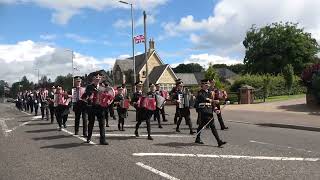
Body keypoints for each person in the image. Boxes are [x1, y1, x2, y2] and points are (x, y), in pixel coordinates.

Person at [194, 79, 226, 147]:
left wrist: (215, 109)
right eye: (206, 85)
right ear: (202, 85)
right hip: (203, 111)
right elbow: (204, 98)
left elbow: (211, 103)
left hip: (209, 111)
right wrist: (214, 101)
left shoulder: (209, 93)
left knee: (201, 125)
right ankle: (219, 141)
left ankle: (197, 138)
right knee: (212, 126)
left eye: (208, 84)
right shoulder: (200, 92)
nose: (208, 86)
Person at [82, 73, 108, 145]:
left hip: (100, 108)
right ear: (93, 79)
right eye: (96, 77)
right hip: (92, 107)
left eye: (99, 77)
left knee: (102, 124)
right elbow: (86, 96)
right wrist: (90, 96)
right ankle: (89, 137)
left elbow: (106, 96)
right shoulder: (89, 87)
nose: (98, 78)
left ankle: (102, 140)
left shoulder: (102, 87)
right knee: (91, 123)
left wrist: (106, 102)